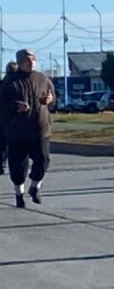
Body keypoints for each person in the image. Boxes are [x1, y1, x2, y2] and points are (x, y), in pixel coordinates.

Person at [0, 49, 55, 208]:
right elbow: (2, 105)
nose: (31, 62)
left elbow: (52, 94)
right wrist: (16, 106)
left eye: (33, 59)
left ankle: (35, 186)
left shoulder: (42, 78)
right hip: (18, 132)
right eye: (27, 60)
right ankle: (19, 193)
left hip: (40, 128)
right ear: (20, 63)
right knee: (18, 167)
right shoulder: (10, 82)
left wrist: (50, 99)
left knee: (43, 160)